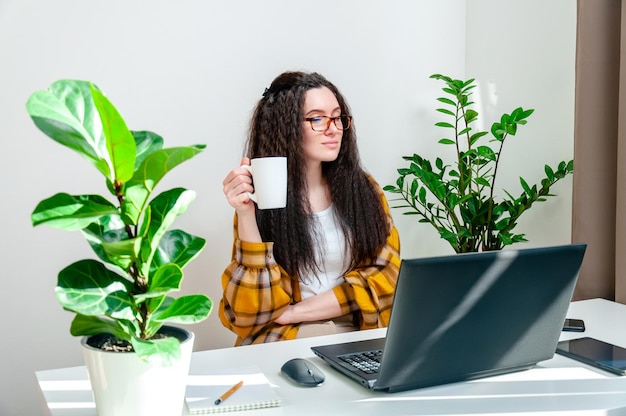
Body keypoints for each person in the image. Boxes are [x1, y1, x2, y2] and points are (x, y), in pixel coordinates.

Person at [219, 71, 401, 345]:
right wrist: (245, 213)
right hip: (288, 338)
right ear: (286, 128)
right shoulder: (262, 199)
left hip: (360, 329)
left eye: (338, 117)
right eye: (317, 119)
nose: (333, 128)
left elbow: (388, 275)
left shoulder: (365, 189)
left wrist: (296, 312)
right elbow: (250, 314)